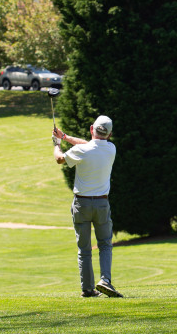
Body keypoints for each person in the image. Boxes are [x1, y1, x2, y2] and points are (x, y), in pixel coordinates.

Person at [53, 115, 123, 298]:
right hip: (101, 203)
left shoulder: (83, 151)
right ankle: (105, 280)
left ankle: (87, 289)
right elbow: (90, 144)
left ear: (92, 129)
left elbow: (60, 159)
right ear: (109, 134)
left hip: (81, 204)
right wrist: (66, 137)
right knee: (105, 245)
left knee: (84, 249)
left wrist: (57, 143)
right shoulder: (111, 148)